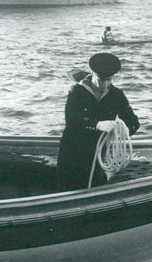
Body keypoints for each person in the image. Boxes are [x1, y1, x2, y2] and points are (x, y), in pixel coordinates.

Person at [57, 53, 140, 190]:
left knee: (96, 186)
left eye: (109, 80)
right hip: (72, 149)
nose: (105, 84)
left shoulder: (117, 95)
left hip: (97, 152)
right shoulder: (76, 91)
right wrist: (96, 124)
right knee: (68, 186)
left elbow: (134, 122)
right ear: (92, 74)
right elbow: (71, 119)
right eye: (101, 80)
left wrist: (126, 129)